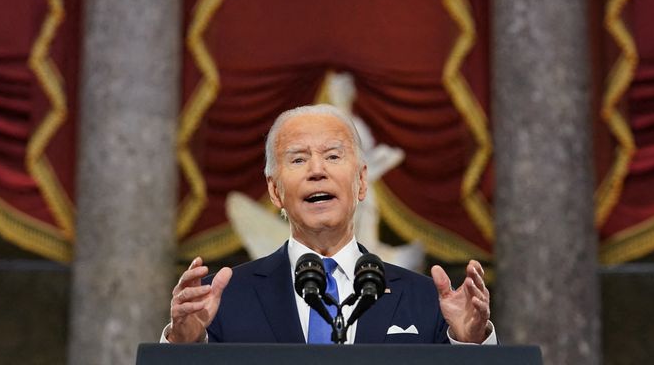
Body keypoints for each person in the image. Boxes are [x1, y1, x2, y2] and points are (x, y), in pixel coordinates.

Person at [162, 104, 496, 345]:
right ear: (275, 190)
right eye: (298, 159)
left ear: (362, 182)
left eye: (333, 156)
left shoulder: (425, 300)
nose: (317, 170)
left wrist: (471, 344)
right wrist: (183, 344)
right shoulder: (221, 301)